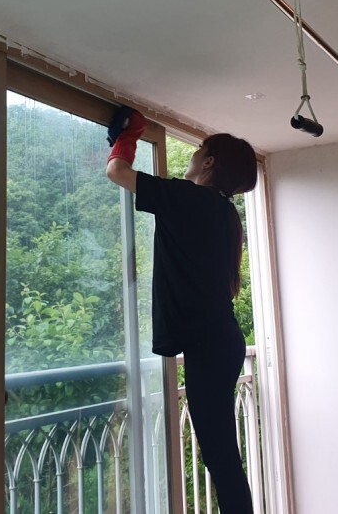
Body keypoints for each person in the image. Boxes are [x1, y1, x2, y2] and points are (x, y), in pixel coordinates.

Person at [105, 107, 257, 514]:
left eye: (199, 149)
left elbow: (117, 172)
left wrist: (131, 133)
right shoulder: (224, 211)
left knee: (221, 458)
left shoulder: (190, 199)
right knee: (222, 455)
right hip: (220, 341)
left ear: (208, 162)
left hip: (211, 345)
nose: (193, 154)